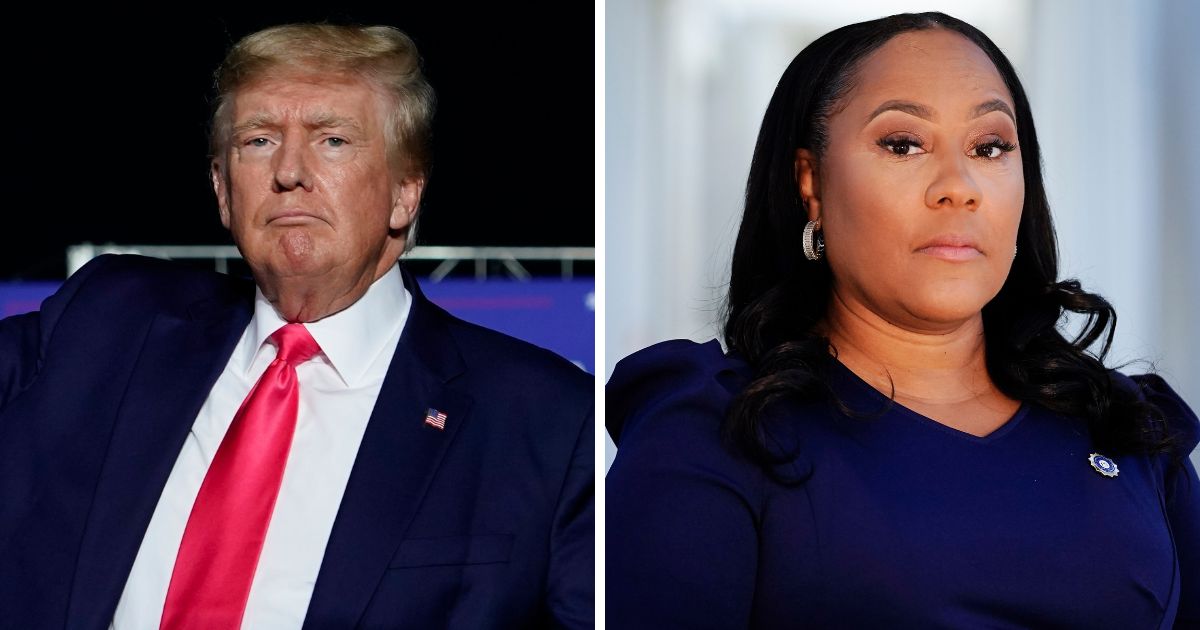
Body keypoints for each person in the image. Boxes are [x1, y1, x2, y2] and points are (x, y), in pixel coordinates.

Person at [606, 12, 1197, 628]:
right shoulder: (717, 430)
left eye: (989, 147)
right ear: (810, 182)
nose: (957, 187)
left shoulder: (1128, 430)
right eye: (903, 144)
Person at [0, 24, 593, 629]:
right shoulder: (107, 321)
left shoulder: (546, 422)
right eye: (258, 140)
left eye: (333, 140)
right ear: (222, 190)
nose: (289, 172)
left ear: (405, 193)